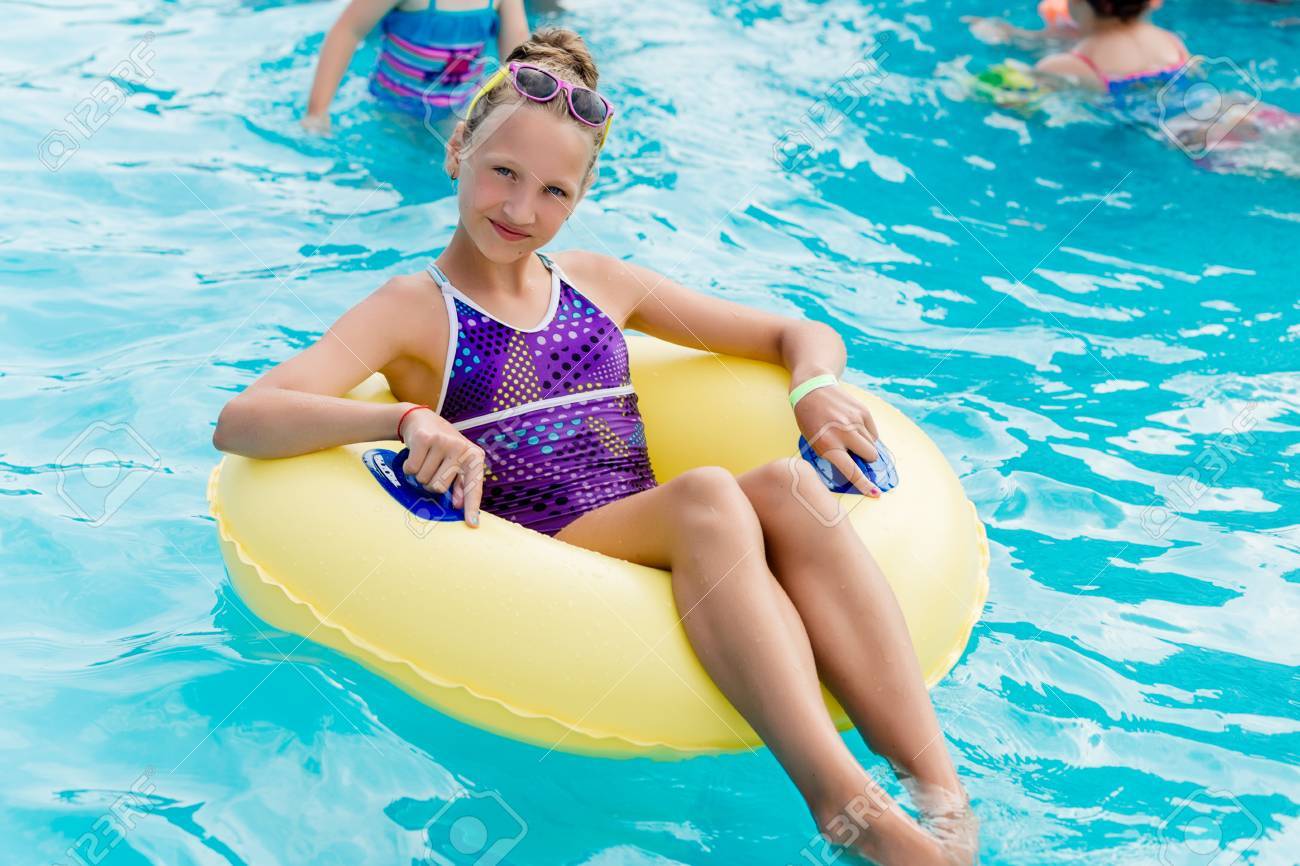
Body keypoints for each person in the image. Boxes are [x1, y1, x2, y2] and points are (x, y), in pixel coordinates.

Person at [216, 27, 977, 866]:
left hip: (653, 520)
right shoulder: (413, 309)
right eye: (503, 173)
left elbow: (795, 332)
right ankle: (843, 802)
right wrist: (402, 420)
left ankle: (941, 794)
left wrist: (814, 390)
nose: (520, 210)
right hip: (552, 543)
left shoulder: (599, 283)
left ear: (579, 197)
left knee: (789, 487)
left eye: (553, 190)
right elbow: (245, 418)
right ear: (459, 150)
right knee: (709, 493)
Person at [302, 0, 528, 132]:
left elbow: (518, 59)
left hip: (459, 108)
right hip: (391, 105)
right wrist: (317, 111)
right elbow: (348, 31)